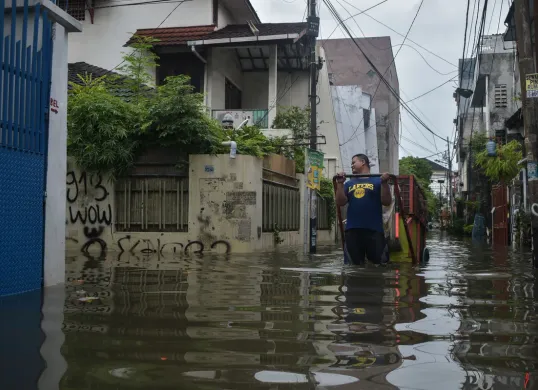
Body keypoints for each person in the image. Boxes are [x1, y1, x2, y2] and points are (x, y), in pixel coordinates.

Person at [335, 154, 392, 265]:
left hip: (374, 230)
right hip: (353, 230)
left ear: (362, 162)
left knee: (379, 265)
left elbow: (386, 202)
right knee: (352, 267)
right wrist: (340, 184)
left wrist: (384, 184)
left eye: (353, 162)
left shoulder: (377, 181)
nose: (351, 166)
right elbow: (340, 202)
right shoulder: (349, 183)